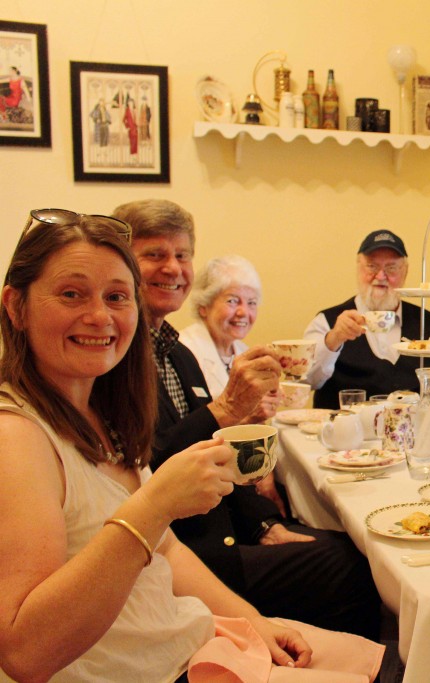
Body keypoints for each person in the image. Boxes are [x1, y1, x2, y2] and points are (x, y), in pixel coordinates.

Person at [0, 209, 382, 681]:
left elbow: (168, 552)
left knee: (385, 661)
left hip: (189, 637)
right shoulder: (17, 437)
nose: (99, 315)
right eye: (71, 294)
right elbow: (25, 653)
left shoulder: (107, 411)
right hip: (153, 667)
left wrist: (251, 620)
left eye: (116, 296)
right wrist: (155, 503)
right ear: (16, 306)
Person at [112, 199, 381, 641]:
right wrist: (224, 410)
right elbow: (149, 467)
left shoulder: (174, 352)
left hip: (228, 529)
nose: (173, 268)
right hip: (191, 552)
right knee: (349, 565)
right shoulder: (119, 353)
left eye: (181, 255)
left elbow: (217, 448)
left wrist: (264, 525)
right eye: (155, 255)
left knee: (343, 540)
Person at [303, 229, 430, 408]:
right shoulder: (326, 322)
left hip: (415, 433)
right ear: (358, 268)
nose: (380, 276)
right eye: (372, 266)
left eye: (391, 268)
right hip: (345, 433)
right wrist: (334, 339)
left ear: (405, 272)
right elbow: (307, 381)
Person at [179, 254, 262, 399]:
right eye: (232, 301)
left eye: (252, 303)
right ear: (203, 306)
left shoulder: (244, 352)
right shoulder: (183, 351)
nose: (243, 312)